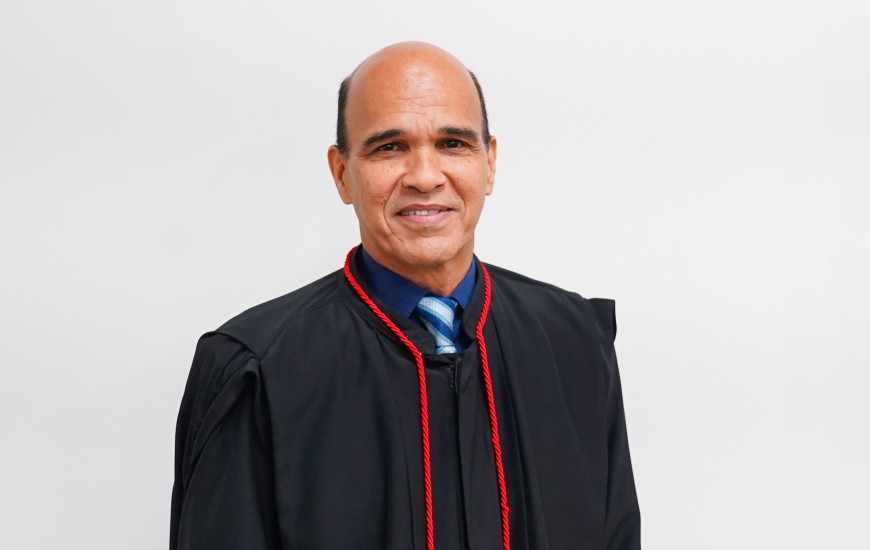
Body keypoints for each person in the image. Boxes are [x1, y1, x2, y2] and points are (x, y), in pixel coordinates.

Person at [170, 42, 641, 550]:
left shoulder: (574, 343)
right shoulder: (256, 371)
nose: (425, 177)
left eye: (453, 143)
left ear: (489, 162)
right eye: (389, 147)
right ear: (342, 173)